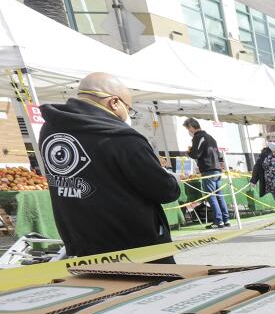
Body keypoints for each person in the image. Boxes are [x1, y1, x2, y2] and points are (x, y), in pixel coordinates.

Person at [38, 72, 180, 259]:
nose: (128, 114)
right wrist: (170, 178)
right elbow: (164, 190)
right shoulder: (121, 137)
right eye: (128, 108)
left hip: (81, 243)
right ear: (114, 102)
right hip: (135, 246)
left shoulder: (49, 130)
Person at [183, 117, 230, 229]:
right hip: (217, 169)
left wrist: (189, 152)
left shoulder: (198, 137)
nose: (188, 132)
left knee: (211, 196)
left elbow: (196, 154)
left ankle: (219, 221)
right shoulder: (210, 137)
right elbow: (218, 154)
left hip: (208, 169)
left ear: (191, 127)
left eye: (188, 129)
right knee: (219, 195)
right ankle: (226, 219)